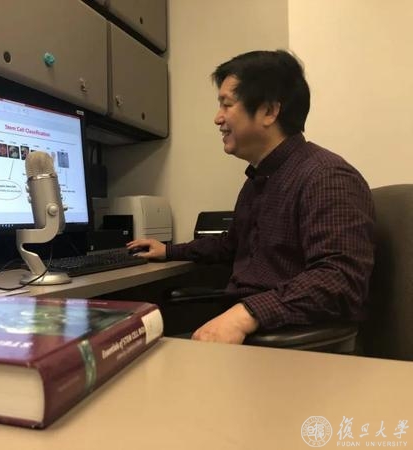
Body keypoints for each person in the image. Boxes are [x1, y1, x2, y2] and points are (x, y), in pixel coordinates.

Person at [127, 50, 375, 345]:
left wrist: (246, 314)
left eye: (227, 104)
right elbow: (231, 244)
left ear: (269, 111)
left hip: (284, 343)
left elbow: (340, 279)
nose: (217, 118)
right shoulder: (259, 179)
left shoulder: (327, 176)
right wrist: (168, 251)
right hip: (253, 329)